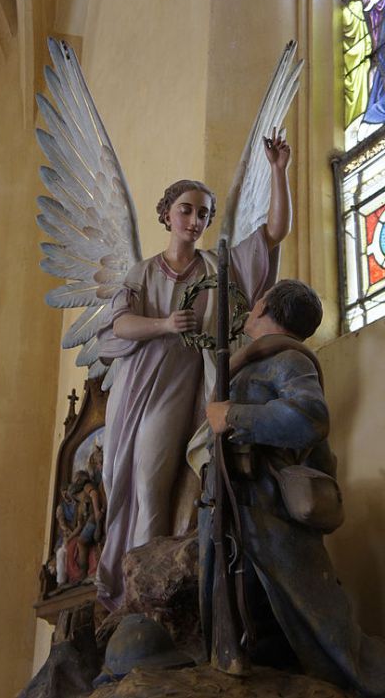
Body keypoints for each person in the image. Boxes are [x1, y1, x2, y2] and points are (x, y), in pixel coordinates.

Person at [95, 131, 292, 609]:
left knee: (151, 480)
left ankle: (146, 596)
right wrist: (165, 322)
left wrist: (279, 172)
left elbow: (273, 233)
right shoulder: (142, 271)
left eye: (203, 212)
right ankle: (133, 592)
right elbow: (120, 323)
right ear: (166, 213)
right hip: (139, 382)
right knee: (126, 480)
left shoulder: (214, 269)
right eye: (186, 209)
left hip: (181, 385)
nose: (195, 219)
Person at [203, 279, 385, 695]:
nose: (251, 306)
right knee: (246, 628)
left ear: (266, 306)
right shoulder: (248, 363)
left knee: (293, 629)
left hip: (265, 515)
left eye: (258, 301)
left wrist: (233, 416)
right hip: (233, 516)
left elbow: (308, 418)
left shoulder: (287, 361)